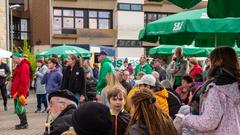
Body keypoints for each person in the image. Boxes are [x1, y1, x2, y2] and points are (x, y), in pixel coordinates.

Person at [174, 46, 240, 135]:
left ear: (217, 62)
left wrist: (185, 119)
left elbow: (209, 122)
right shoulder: (236, 84)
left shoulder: (216, 88)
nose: (208, 63)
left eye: (210, 60)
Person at [11, 52, 30, 129]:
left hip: (20, 91)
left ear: (18, 58)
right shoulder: (19, 66)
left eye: (14, 58)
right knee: (18, 108)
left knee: (19, 108)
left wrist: (20, 92)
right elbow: (16, 77)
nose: (13, 60)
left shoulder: (24, 66)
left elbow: (24, 81)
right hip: (17, 91)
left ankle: (24, 123)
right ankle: (23, 123)